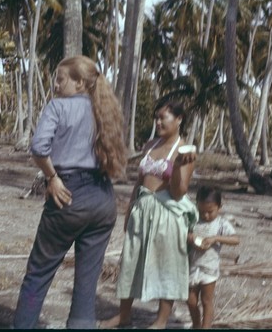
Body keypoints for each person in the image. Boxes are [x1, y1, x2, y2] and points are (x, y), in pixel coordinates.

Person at [13, 55, 126, 329]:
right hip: (102, 199)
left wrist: (52, 177)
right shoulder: (105, 110)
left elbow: (39, 147)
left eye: (61, 79)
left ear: (79, 83)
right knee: (87, 284)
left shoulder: (59, 107)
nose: (55, 84)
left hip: (69, 195)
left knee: (38, 274)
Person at [99, 100, 198, 329]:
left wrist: (180, 165)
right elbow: (139, 180)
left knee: (167, 265)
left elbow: (178, 192)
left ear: (179, 119)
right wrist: (129, 209)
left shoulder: (185, 151)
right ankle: (123, 315)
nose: (159, 122)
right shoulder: (150, 145)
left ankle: (161, 321)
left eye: (164, 117)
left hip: (167, 215)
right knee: (130, 261)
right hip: (141, 210)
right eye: (157, 117)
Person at [187, 186, 240, 329]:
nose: (205, 215)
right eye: (201, 211)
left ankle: (206, 327)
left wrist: (216, 238)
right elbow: (183, 234)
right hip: (192, 266)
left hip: (209, 268)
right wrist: (190, 238)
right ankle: (196, 324)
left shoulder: (221, 223)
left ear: (219, 207)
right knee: (190, 300)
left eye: (210, 212)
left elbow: (235, 239)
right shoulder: (193, 220)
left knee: (206, 300)